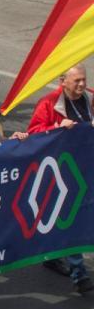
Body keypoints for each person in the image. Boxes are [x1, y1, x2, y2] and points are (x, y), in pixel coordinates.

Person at [26, 65, 94, 293]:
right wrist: (57, 127)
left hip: (85, 166)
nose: (82, 85)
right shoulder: (49, 103)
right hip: (61, 169)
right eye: (77, 81)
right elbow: (34, 133)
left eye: (83, 80)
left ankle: (51, 254)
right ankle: (79, 275)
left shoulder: (87, 99)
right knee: (71, 217)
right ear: (63, 81)